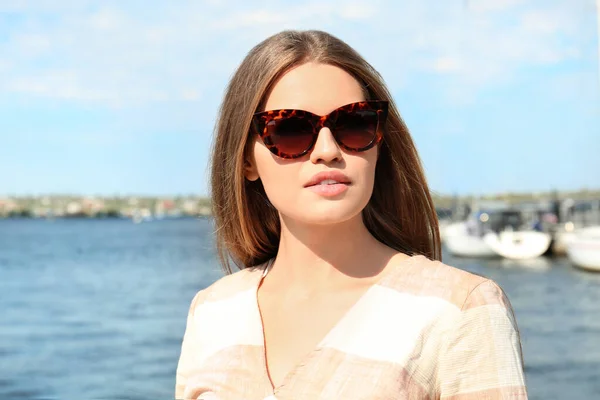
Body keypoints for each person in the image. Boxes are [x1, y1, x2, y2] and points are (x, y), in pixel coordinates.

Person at [175, 30, 527, 400]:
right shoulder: (212, 311)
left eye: (354, 124)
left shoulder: (460, 310)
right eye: (291, 129)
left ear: (379, 143)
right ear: (247, 159)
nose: (327, 150)